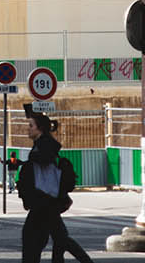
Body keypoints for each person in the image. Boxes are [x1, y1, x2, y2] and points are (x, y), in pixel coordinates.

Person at [16, 112, 92, 263]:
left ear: (40, 129)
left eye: (31, 126)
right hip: (46, 201)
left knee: (37, 238)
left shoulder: (45, 145)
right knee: (57, 238)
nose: (28, 129)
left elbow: (45, 160)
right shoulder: (42, 144)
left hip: (44, 201)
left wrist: (28, 164)